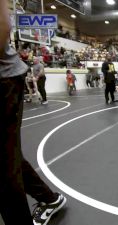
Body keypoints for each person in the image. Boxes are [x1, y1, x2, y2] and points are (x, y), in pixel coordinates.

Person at [0, 2, 67, 224]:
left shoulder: (38, 66)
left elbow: (2, 24)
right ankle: (49, 199)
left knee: (4, 165)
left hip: (3, 78)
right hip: (8, 76)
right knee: (7, 157)